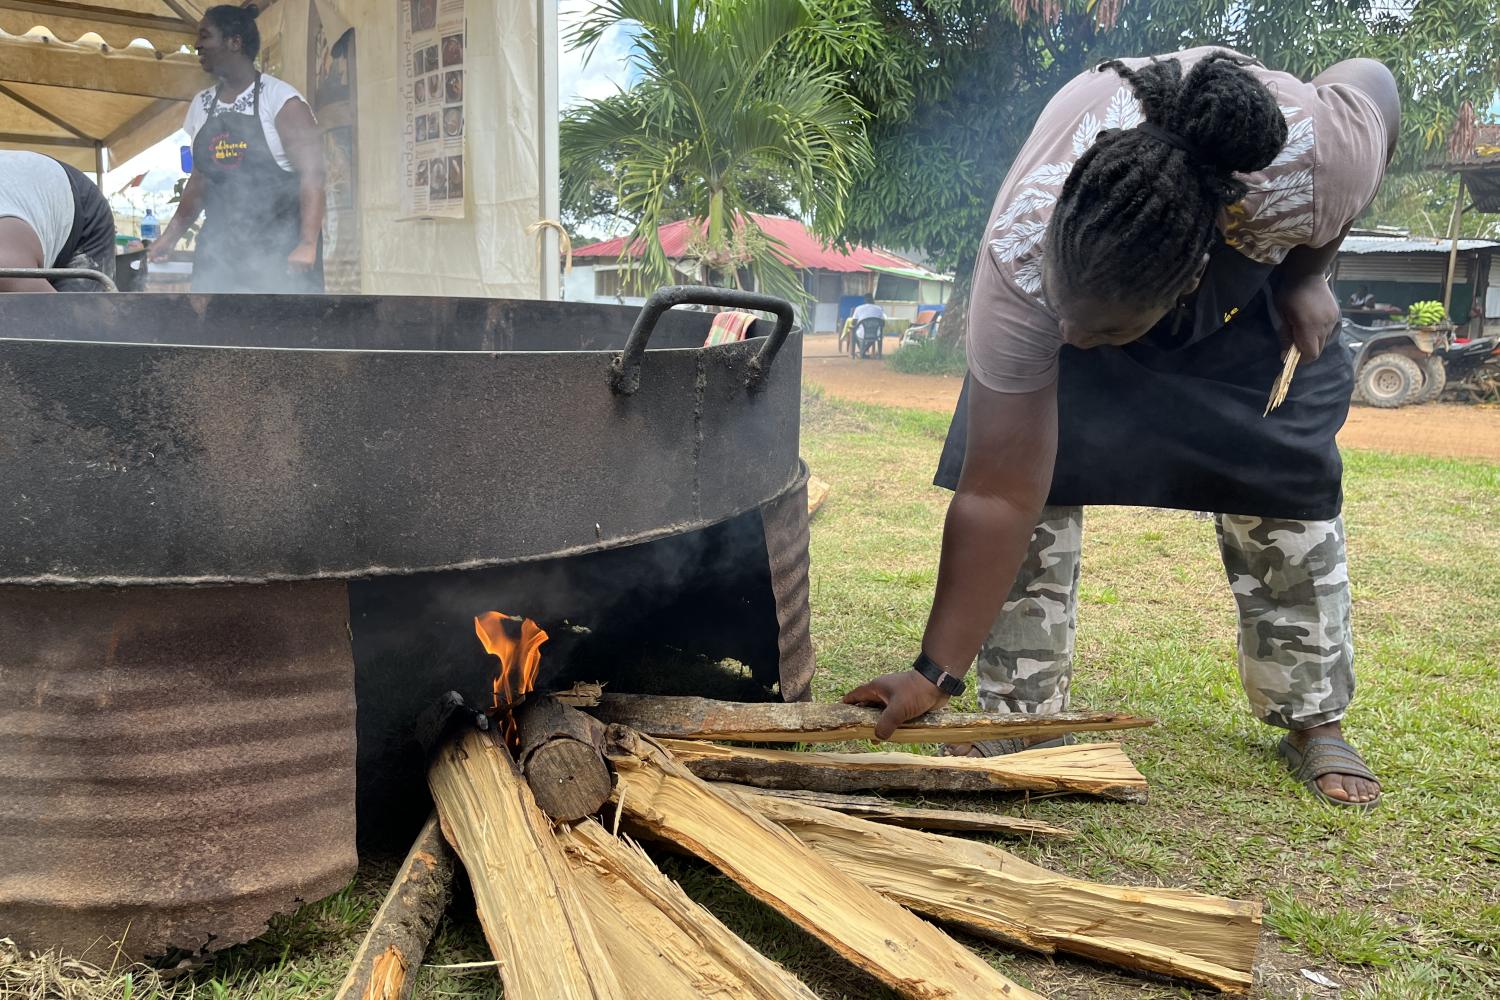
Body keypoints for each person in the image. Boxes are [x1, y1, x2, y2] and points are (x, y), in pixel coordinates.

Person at [843, 50, 1399, 809]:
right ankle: (1021, 713)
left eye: (1093, 330)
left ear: (1188, 283)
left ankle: (1314, 717)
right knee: (1032, 491)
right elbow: (998, 494)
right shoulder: (1020, 263)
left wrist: (1308, 274)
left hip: (1250, 280)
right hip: (1099, 271)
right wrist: (933, 673)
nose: (1068, 338)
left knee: (1287, 493)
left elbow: (1373, 79)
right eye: (1061, 314)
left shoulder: (1318, 157)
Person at [149, 4, 325, 292]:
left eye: (205, 36)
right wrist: (170, 237)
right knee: (214, 333)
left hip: (280, 252)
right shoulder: (202, 105)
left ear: (235, 42)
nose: (197, 45)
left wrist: (307, 243)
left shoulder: (280, 101)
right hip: (220, 254)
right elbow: (200, 179)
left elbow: (313, 174)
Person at [0, 150, 115, 292]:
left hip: (75, 204)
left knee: (80, 309)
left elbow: (52, 308)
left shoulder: (7, 270)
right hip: (24, 183)